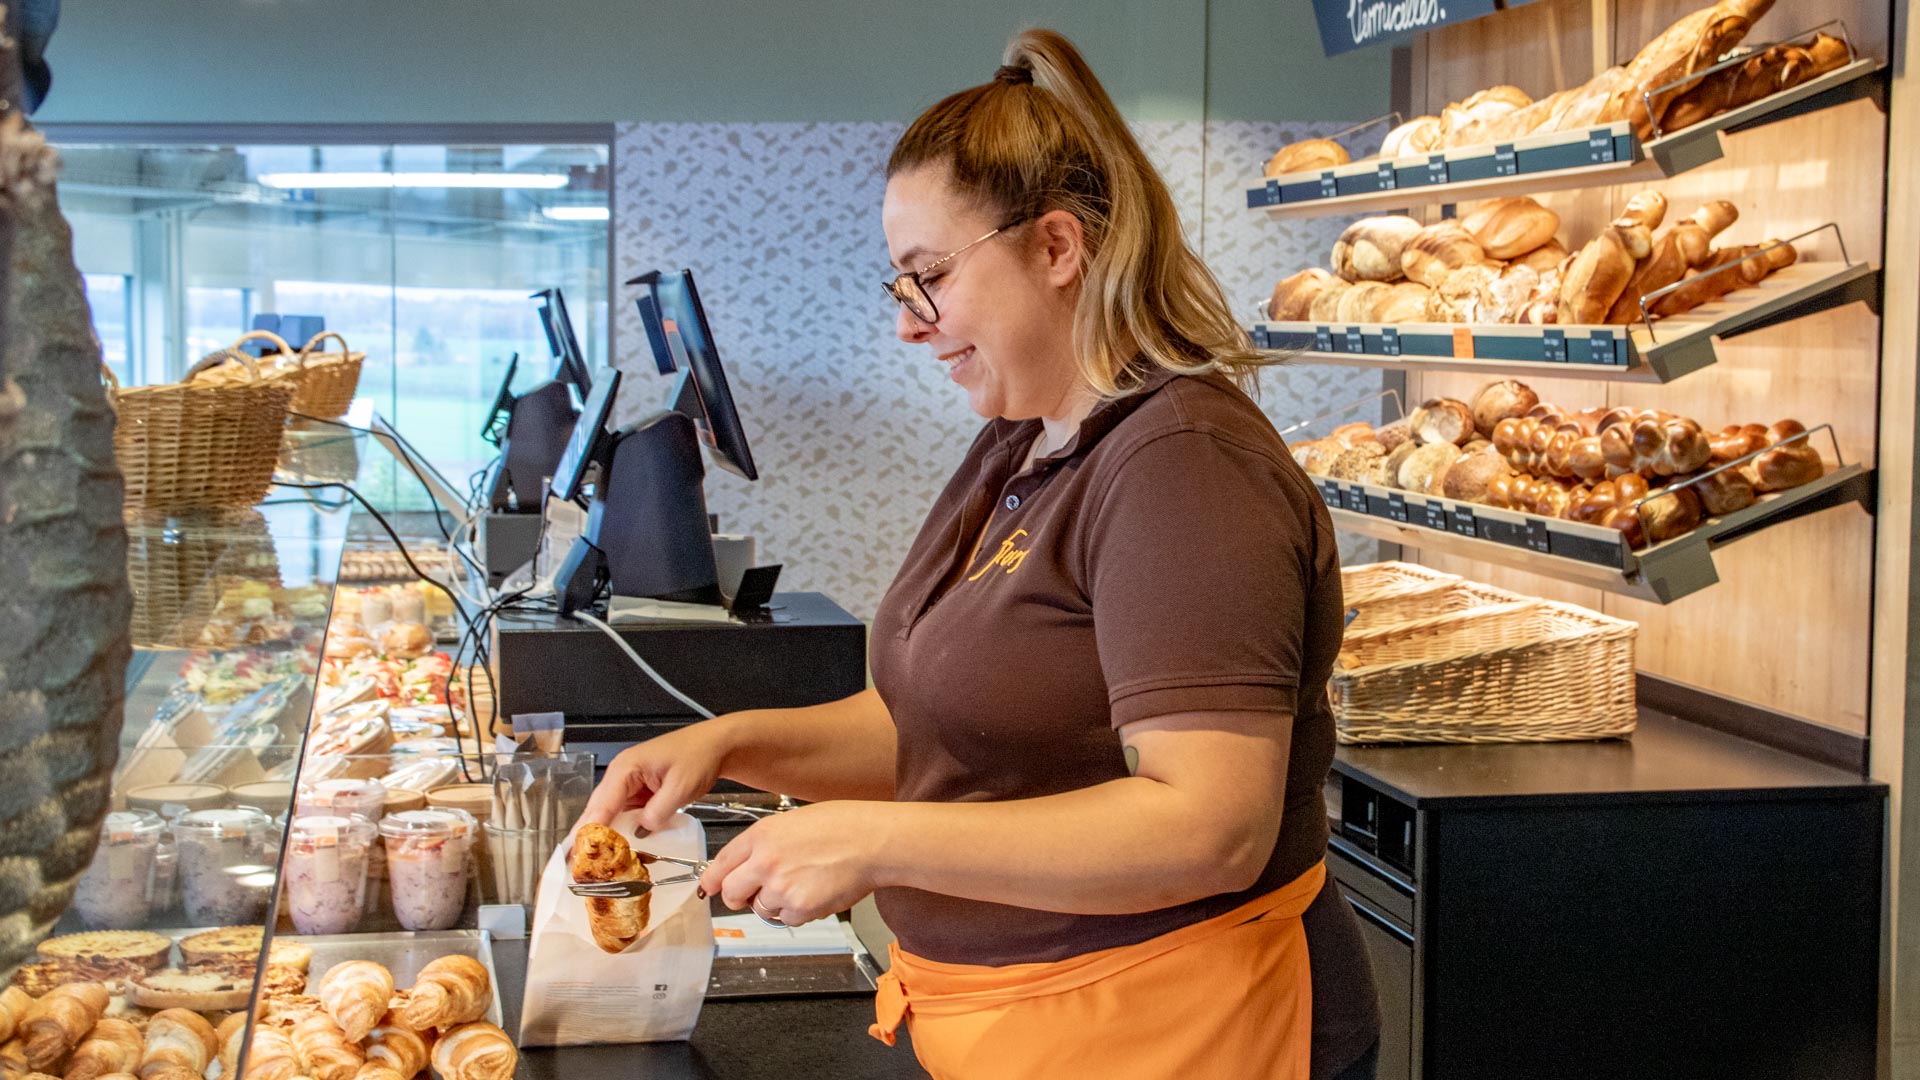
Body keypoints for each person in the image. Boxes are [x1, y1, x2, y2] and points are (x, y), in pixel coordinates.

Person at [580, 27, 1380, 1080]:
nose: (912, 326)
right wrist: (729, 746)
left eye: (930, 277)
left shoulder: (1185, 467)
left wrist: (875, 841)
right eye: (900, 285)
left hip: (1173, 1023)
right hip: (1006, 1024)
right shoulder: (1020, 440)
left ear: (1057, 247)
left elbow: (1209, 824)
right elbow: (940, 724)